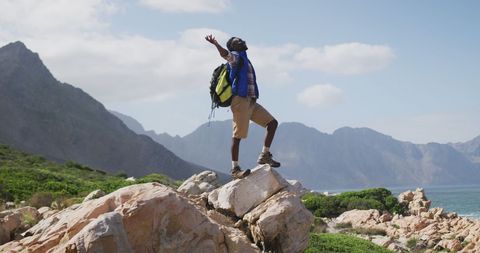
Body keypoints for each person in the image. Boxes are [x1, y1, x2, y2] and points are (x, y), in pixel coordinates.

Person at [205, 34, 280, 179]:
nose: (242, 41)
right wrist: (216, 44)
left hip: (251, 101)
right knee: (237, 136)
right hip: (240, 101)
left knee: (272, 123)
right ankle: (235, 169)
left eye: (241, 39)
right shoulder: (236, 57)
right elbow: (225, 55)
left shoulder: (245, 59)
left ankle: (265, 155)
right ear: (233, 46)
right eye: (237, 41)